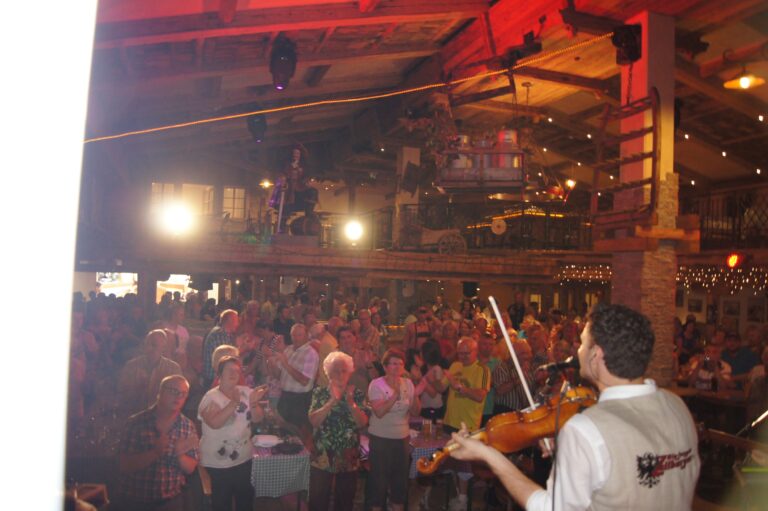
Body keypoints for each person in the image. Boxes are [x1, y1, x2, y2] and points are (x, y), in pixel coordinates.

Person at [449, 303, 701, 511]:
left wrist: (490, 457)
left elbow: (551, 508)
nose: (577, 350)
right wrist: (572, 452)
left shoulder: (587, 429)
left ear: (596, 355)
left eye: (582, 343)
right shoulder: (677, 407)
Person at [117, 375, 199, 511]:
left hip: (171, 502)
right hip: (135, 502)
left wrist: (180, 455)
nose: (178, 397)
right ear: (159, 392)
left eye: (183, 394)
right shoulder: (137, 423)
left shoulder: (187, 426)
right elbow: (124, 465)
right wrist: (155, 453)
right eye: (174, 391)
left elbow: (190, 468)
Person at [198, 356, 267, 511]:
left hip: (244, 458)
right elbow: (214, 423)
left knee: (245, 500)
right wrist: (233, 403)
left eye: (237, 370)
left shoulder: (246, 392)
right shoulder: (210, 397)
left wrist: (254, 402)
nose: (234, 373)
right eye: (229, 369)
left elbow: (258, 418)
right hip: (219, 463)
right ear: (219, 374)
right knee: (222, 503)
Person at [433, 337, 490, 510]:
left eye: (467, 353)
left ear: (475, 352)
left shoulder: (482, 369)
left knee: (464, 465)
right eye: (460, 353)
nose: (463, 356)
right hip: (450, 421)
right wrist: (436, 376)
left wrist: (459, 387)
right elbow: (441, 389)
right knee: (452, 464)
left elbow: (480, 395)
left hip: (468, 424)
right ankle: (456, 497)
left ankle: (464, 500)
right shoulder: (455, 366)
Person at [308, 352, 368, 511]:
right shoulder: (320, 393)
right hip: (322, 454)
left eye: (344, 370)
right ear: (328, 373)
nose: (340, 374)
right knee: (318, 499)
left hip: (348, 454)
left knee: (345, 499)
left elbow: (362, 423)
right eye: (336, 371)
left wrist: (350, 402)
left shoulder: (356, 394)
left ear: (350, 373)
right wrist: (332, 401)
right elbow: (314, 421)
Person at [367, 349, 422, 511]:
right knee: (379, 481)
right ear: (385, 367)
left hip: (402, 439)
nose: (397, 367)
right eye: (393, 363)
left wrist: (416, 391)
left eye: (400, 363)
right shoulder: (376, 384)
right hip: (380, 439)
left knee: (399, 481)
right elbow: (379, 412)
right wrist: (395, 394)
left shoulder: (408, 383)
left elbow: (416, 412)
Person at [118, 330, 182, 419]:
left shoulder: (173, 369)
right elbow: (122, 395)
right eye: (147, 345)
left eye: (154, 345)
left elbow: (177, 396)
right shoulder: (131, 366)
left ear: (163, 348)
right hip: (135, 415)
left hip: (161, 417)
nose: (149, 348)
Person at [271, 323, 319, 434]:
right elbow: (278, 376)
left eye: (299, 335)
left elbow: (304, 381)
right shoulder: (288, 350)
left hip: (300, 400)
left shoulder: (311, 354)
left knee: (297, 435)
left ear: (307, 335)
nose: (295, 338)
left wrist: (285, 364)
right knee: (281, 432)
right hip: (284, 397)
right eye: (293, 335)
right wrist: (272, 364)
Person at [202, 310, 239, 389]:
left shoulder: (224, 334)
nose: (238, 324)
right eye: (236, 321)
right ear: (229, 321)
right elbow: (225, 361)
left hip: (218, 376)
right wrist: (242, 349)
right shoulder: (219, 334)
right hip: (213, 379)